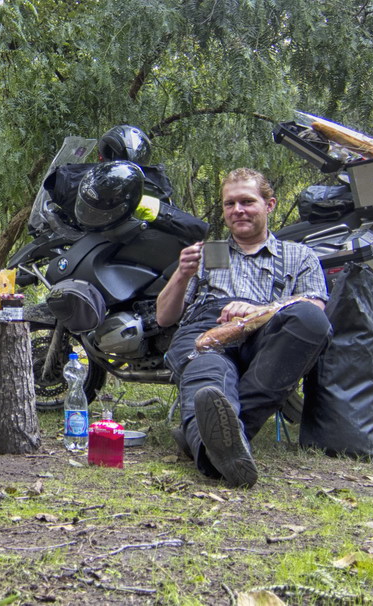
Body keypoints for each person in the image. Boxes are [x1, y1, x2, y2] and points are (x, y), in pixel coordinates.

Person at [156, 168, 331, 488]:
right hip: (207, 332)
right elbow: (165, 318)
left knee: (310, 320)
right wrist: (181, 276)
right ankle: (218, 449)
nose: (237, 210)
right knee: (207, 371)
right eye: (229, 204)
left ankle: (203, 443)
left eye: (247, 202)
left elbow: (316, 308)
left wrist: (258, 312)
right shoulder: (210, 253)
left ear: (270, 205)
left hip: (266, 339)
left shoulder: (299, 255)